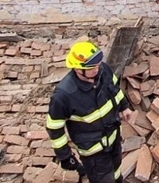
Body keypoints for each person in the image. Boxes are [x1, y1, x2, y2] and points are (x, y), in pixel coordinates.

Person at [46, 42, 133, 183]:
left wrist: (124, 106)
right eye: (92, 67)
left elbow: (114, 88)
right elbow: (54, 128)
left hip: (113, 137)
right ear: (77, 68)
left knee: (116, 169)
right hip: (93, 151)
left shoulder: (102, 70)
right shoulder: (63, 95)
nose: (97, 69)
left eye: (98, 65)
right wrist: (65, 156)